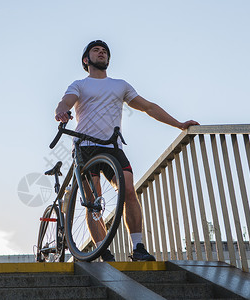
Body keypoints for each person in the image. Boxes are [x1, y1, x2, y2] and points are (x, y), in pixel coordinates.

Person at [54, 40, 199, 262]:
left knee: (128, 191)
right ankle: (102, 250)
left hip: (112, 146)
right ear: (86, 59)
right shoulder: (80, 85)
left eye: (105, 51)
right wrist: (62, 111)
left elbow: (149, 107)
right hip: (85, 147)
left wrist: (179, 124)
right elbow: (65, 102)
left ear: (108, 59)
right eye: (96, 50)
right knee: (93, 200)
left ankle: (138, 247)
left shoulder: (120, 85)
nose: (101, 52)